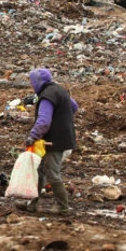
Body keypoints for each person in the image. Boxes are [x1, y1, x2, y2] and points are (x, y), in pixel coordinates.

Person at [18, 68, 79, 214]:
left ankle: (64, 208)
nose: (32, 85)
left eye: (32, 82)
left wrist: (33, 136)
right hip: (63, 137)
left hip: (54, 141)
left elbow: (44, 122)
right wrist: (62, 119)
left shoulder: (47, 96)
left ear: (38, 82)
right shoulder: (59, 90)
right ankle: (32, 204)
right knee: (40, 171)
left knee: (52, 172)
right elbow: (74, 107)